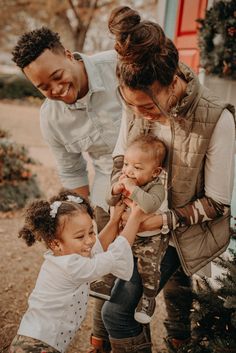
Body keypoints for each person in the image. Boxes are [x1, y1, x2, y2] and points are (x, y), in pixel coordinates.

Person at [100, 6, 235, 353]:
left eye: (147, 109)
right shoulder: (135, 101)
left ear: (173, 78)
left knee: (117, 312)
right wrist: (121, 185)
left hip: (181, 231)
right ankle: (176, 340)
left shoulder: (217, 119)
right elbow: (120, 157)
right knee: (170, 297)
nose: (138, 115)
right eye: (132, 107)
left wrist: (157, 220)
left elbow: (218, 204)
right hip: (138, 225)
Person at [12, 27, 123, 352]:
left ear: (69, 55)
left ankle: (179, 336)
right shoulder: (51, 118)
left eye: (58, 76)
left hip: (158, 181)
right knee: (102, 271)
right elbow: (73, 170)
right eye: (43, 87)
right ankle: (99, 341)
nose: (56, 89)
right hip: (106, 192)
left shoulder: (118, 65)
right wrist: (81, 225)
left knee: (171, 275)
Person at [9, 189, 145, 353]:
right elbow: (115, 255)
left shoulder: (63, 258)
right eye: (80, 236)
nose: (89, 240)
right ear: (56, 244)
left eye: (91, 232)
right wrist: (136, 217)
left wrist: (114, 220)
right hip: (37, 346)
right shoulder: (72, 267)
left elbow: (97, 248)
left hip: (37, 337)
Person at [106, 133, 169, 324]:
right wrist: (115, 190)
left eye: (137, 167)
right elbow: (109, 200)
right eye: (126, 164)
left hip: (151, 238)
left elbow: (149, 206)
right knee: (114, 256)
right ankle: (104, 282)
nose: (129, 171)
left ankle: (148, 298)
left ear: (155, 172)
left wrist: (132, 189)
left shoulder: (156, 187)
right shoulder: (124, 180)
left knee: (148, 269)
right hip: (128, 233)